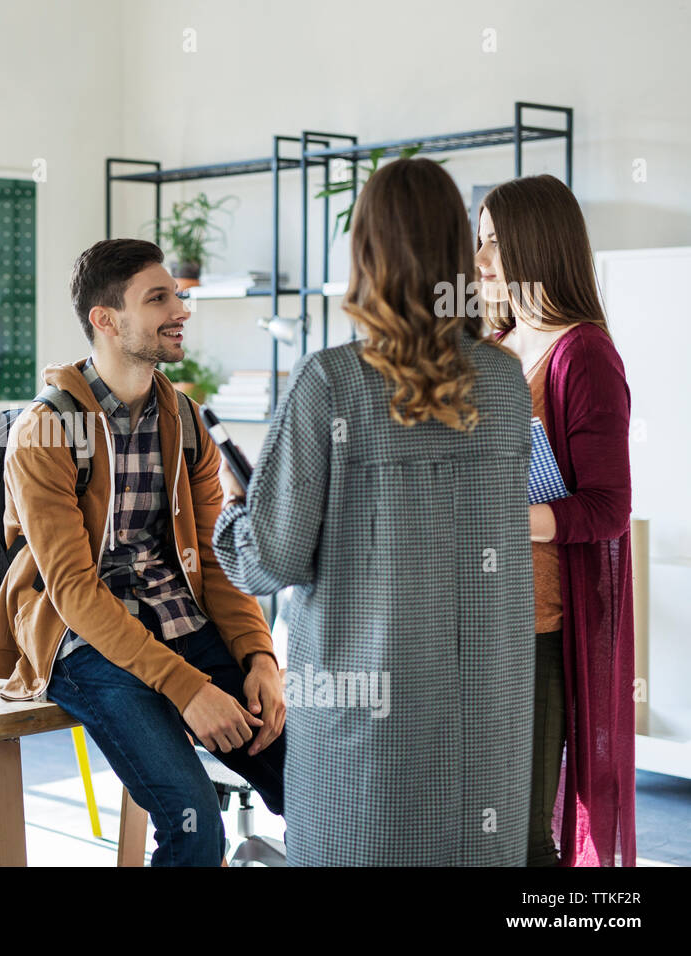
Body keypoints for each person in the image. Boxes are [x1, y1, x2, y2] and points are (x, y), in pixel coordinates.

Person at [213, 158, 535, 865]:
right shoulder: (508, 383)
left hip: (369, 740)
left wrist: (233, 516)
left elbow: (271, 559)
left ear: (366, 252)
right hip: (485, 731)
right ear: (456, 251)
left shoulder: (330, 382)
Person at [0, 238, 286, 867]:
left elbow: (217, 557)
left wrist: (259, 656)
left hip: (179, 618)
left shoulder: (187, 420)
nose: (182, 308)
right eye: (159, 297)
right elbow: (72, 592)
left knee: (318, 788)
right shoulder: (46, 430)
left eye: (176, 292)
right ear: (106, 319)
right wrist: (187, 689)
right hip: (84, 638)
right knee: (195, 824)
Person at [476, 174, 635, 867]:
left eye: (493, 245)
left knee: (522, 837)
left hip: (540, 628)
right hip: (484, 619)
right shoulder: (501, 345)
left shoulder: (585, 354)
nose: (479, 263)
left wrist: (507, 517)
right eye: (479, 245)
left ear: (537, 245)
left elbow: (608, 509)